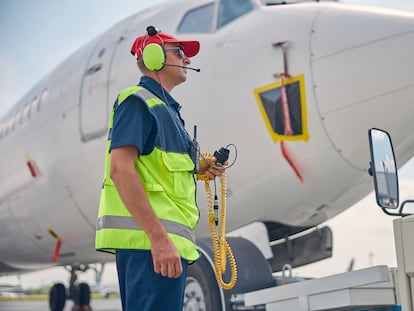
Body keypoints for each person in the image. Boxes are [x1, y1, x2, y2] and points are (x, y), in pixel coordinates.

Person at [95, 26, 225, 311]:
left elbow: (162, 170)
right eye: (179, 52)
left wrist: (200, 166)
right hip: (150, 246)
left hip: (163, 246)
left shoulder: (168, 113)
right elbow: (121, 170)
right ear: (154, 57)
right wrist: (159, 240)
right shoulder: (137, 102)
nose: (187, 60)